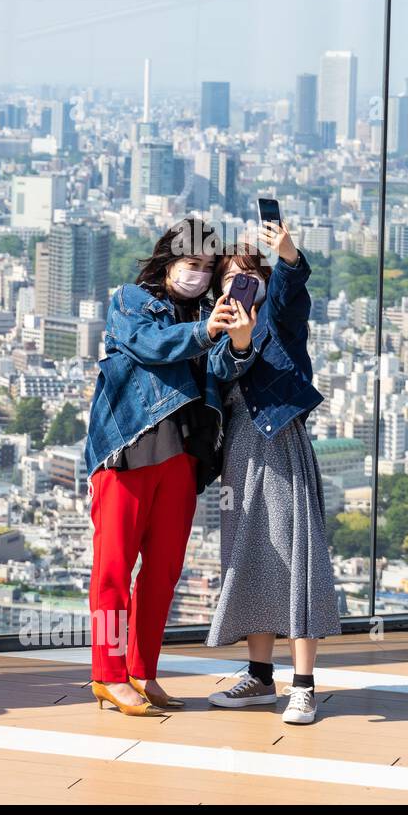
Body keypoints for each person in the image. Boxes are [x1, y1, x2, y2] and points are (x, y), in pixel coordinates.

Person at [83, 217, 255, 716]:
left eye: (206, 267)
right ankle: (107, 675)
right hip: (128, 449)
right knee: (113, 569)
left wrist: (236, 339)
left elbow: (221, 371)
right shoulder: (131, 301)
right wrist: (205, 329)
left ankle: (143, 670)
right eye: (190, 264)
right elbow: (153, 346)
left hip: (182, 453)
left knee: (163, 572)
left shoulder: (207, 311)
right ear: (167, 260)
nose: (198, 275)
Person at [206, 226, 339, 725]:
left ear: (261, 280)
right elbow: (218, 376)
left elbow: (290, 289)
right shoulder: (218, 329)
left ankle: (303, 686)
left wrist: (285, 254)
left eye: (247, 275)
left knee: (295, 557)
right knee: (249, 557)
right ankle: (261, 676)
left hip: (280, 444)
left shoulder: (279, 319)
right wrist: (233, 340)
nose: (238, 283)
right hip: (239, 454)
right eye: (229, 278)